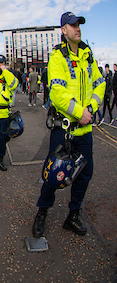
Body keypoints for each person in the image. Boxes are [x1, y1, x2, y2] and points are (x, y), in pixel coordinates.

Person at [32, 12, 105, 238]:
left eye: (79, 25)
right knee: (54, 175)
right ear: (64, 30)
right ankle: (42, 212)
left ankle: (73, 215)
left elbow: (99, 84)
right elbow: (57, 91)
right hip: (63, 129)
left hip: (84, 130)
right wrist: (78, 112)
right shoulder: (57, 57)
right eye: (73, 25)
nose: (77, 28)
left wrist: (90, 109)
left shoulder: (87, 55)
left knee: (85, 174)